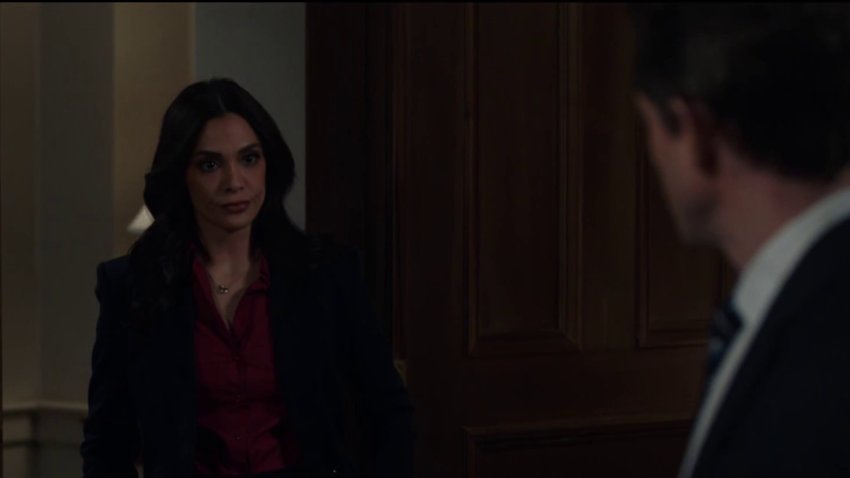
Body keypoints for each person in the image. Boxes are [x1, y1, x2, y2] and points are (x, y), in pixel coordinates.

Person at [80, 78, 414, 478]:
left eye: (249, 159)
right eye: (210, 165)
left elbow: (389, 412)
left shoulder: (327, 275)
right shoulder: (132, 286)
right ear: (180, 175)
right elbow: (107, 442)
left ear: (269, 164)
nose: (234, 182)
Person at [632, 4, 850, 477]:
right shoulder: (797, 302)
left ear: (696, 134)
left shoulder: (816, 358)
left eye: (648, 126)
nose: (651, 155)